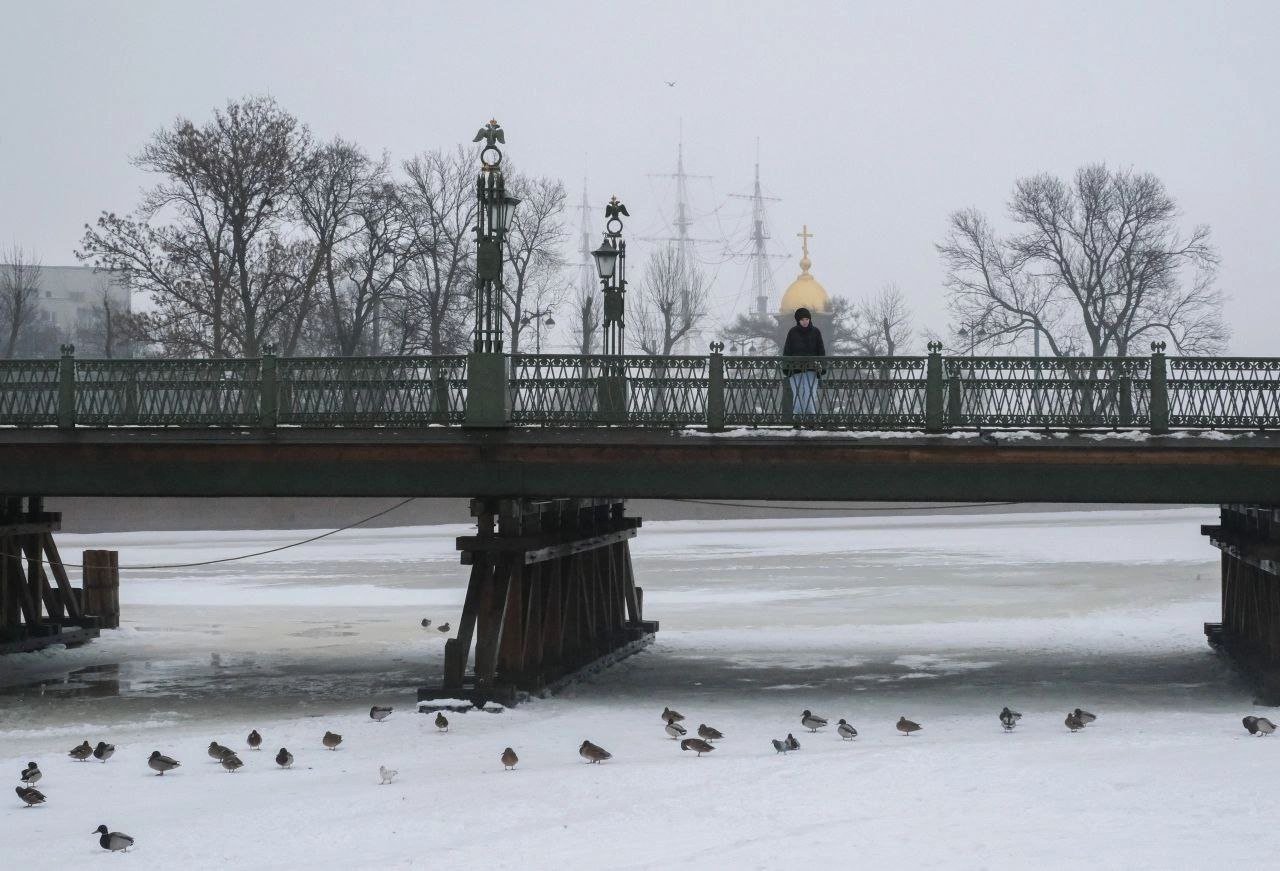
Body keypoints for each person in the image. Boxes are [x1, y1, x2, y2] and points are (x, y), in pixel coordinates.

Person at [781, 307, 825, 420]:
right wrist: (786, 368)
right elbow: (787, 351)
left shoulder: (816, 332)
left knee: (810, 393)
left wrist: (822, 367)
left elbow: (821, 350)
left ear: (809, 319)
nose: (805, 321)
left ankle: (810, 416)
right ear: (798, 321)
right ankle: (798, 416)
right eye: (802, 320)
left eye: (807, 319)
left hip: (812, 368)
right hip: (795, 369)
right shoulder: (792, 332)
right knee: (798, 393)